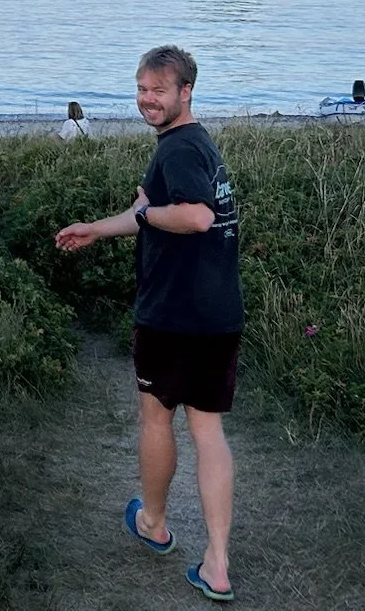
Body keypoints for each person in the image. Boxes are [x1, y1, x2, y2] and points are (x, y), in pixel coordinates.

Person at [55, 46, 242, 604]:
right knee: (208, 432)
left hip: (172, 316)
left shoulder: (180, 150)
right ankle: (218, 565)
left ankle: (154, 524)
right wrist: (97, 227)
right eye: (141, 88)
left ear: (186, 92)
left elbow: (195, 217)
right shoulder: (199, 145)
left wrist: (143, 214)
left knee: (156, 419)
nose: (147, 99)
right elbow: (152, 215)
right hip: (217, 314)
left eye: (158, 90)